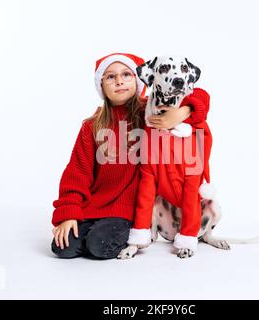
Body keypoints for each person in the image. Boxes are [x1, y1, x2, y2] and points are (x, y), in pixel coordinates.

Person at [51, 52, 210, 259]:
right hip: (93, 207)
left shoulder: (151, 113)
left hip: (126, 212)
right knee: (63, 249)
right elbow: (76, 172)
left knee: (99, 245)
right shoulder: (92, 125)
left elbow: (201, 96)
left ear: (138, 80)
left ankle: (98, 236)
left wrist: (184, 111)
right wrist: (69, 213)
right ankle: (89, 231)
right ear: (101, 85)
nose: (119, 81)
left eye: (126, 74)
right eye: (110, 77)